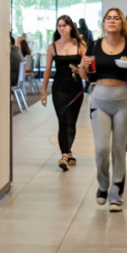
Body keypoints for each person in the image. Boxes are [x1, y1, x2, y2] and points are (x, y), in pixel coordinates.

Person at [79, 8, 127, 212]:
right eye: (108, 18)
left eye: (116, 18)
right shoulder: (95, 45)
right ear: (103, 23)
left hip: (124, 99)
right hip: (100, 99)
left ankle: (116, 193)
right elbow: (85, 74)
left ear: (122, 22)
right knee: (102, 149)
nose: (112, 21)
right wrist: (83, 65)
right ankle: (103, 185)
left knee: (118, 149)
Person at [42, 15, 87, 170]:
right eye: (59, 25)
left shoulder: (80, 45)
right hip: (59, 89)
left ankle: (68, 151)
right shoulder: (52, 47)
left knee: (72, 121)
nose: (61, 28)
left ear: (71, 27)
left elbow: (87, 67)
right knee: (63, 120)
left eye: (64, 25)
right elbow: (47, 70)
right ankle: (65, 155)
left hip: (76, 89)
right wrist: (43, 92)